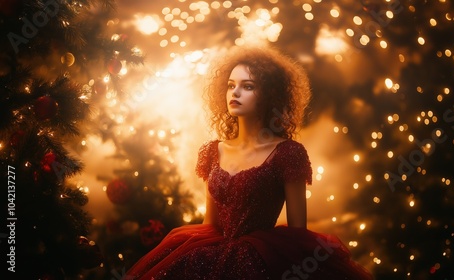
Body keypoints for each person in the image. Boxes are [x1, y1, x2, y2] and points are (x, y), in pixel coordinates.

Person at [126, 46, 373, 279]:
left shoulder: (288, 153)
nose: (235, 92)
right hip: (207, 254)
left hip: (261, 262)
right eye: (231, 85)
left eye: (248, 86)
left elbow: (299, 237)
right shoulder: (214, 150)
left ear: (269, 95)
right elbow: (209, 224)